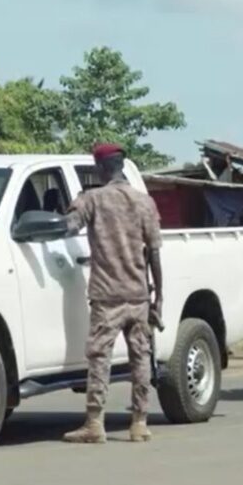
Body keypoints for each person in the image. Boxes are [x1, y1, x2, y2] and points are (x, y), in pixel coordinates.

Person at [62, 143, 163, 444]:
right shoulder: (145, 202)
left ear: (101, 168)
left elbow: (68, 226)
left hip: (107, 296)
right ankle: (140, 423)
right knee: (141, 358)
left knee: (100, 359)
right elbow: (155, 254)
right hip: (139, 295)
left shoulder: (92, 199)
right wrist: (159, 299)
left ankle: (95, 423)